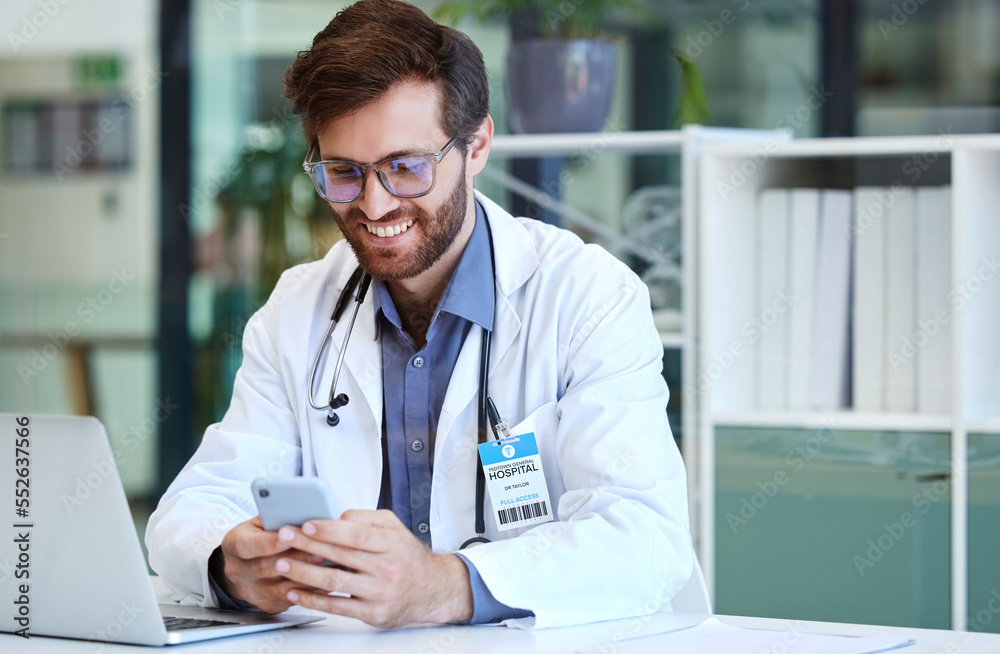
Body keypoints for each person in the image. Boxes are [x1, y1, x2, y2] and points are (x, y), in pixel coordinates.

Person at [146, 0, 693, 630]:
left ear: (477, 146)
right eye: (344, 173)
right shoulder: (297, 310)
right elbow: (194, 508)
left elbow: (645, 539)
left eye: (405, 168)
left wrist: (443, 586)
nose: (375, 205)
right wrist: (229, 563)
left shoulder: (587, 298)